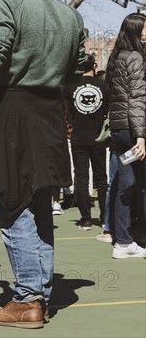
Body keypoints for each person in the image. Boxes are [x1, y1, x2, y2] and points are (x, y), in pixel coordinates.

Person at [0, 0, 86, 328]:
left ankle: (26, 299)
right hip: (49, 114)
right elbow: (80, 64)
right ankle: (41, 295)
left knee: (12, 201)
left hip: (13, 112)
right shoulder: (71, 14)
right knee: (39, 204)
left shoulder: (11, 4)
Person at [106, 13, 146, 259]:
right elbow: (138, 99)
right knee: (137, 185)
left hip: (120, 131)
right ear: (136, 31)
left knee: (125, 183)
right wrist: (141, 136)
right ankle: (129, 237)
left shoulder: (117, 56)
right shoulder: (136, 58)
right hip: (133, 132)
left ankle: (123, 239)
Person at [64, 54, 109, 230]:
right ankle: (105, 216)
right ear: (94, 65)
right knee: (101, 177)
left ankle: (85, 218)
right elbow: (107, 111)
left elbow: (66, 111)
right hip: (98, 137)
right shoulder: (104, 86)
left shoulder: (69, 87)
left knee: (81, 176)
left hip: (78, 137)